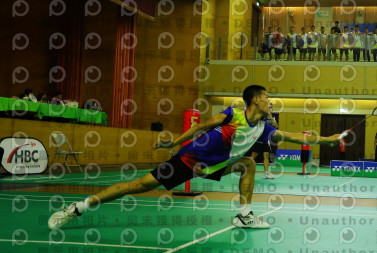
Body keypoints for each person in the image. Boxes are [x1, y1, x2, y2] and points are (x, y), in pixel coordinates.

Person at [48, 85, 341, 230]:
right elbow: (200, 126)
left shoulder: (265, 128)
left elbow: (297, 137)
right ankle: (78, 207)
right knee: (137, 186)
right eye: (267, 98)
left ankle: (244, 215)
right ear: (255, 100)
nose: (270, 102)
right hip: (190, 160)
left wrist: (329, 139)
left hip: (217, 165)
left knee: (248, 164)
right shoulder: (234, 114)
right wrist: (174, 143)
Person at [249, 101, 278, 179]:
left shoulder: (271, 117)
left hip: (265, 139)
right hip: (258, 137)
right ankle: (245, 169)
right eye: (268, 107)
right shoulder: (260, 114)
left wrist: (270, 116)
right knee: (254, 155)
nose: (270, 108)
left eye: (271, 107)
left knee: (266, 155)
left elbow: (276, 126)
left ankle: (266, 173)